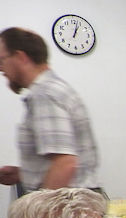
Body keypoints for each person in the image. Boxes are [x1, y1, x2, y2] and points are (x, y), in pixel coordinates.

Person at [0, 27, 102, 196]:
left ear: (20, 57)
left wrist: (38, 209)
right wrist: (26, 173)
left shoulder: (44, 94)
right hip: (76, 200)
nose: (1, 69)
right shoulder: (54, 89)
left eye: (2, 60)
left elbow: (64, 163)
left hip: (67, 205)